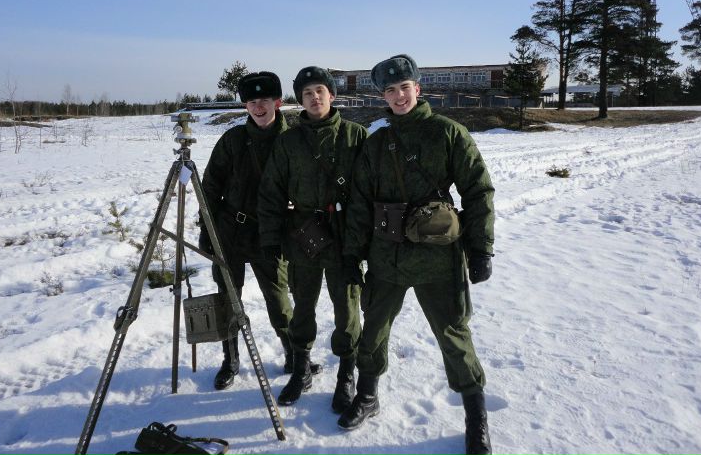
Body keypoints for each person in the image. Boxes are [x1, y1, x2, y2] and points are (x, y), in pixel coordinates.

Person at [337, 55, 495, 455]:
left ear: (418, 89)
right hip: (386, 257)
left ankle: (476, 417)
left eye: (404, 87)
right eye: (390, 90)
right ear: (383, 96)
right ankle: (369, 396)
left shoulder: (447, 133)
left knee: (454, 336)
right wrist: (352, 255)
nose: (398, 95)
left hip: (438, 258)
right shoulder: (376, 143)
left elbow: (477, 191)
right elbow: (358, 202)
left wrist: (481, 249)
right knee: (373, 331)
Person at [259, 66, 367, 413]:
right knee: (302, 306)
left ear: (331, 95)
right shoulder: (288, 141)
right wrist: (271, 239)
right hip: (302, 235)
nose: (314, 97)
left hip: (343, 236)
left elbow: (370, 194)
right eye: (307, 93)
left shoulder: (355, 136)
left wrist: (363, 243)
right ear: (299, 100)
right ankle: (301, 369)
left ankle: (346, 375)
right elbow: (272, 191)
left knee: (346, 308)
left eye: (320, 91)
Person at [199, 71, 295, 390]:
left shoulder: (293, 142)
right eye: (251, 102)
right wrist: (207, 231)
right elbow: (210, 188)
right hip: (230, 232)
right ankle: (230, 360)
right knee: (228, 300)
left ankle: (294, 355)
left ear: (277, 102)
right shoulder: (233, 140)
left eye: (264, 101)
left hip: (271, 235)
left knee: (279, 300)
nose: (258, 107)